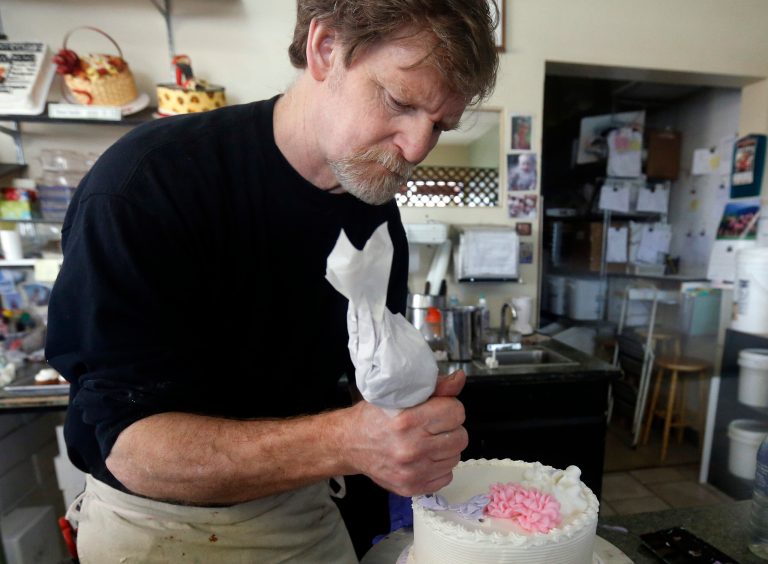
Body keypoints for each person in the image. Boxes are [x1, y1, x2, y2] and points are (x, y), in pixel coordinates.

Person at [45, 1, 499, 562]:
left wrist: (407, 409)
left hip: (303, 506)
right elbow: (128, 449)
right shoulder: (148, 186)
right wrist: (349, 439)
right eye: (400, 101)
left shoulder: (373, 212)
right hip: (155, 525)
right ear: (326, 48)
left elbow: (367, 383)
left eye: (440, 126)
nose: (416, 149)